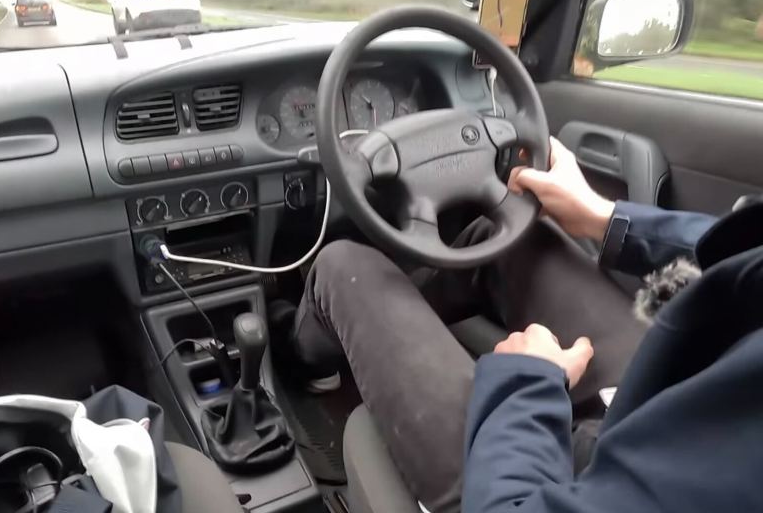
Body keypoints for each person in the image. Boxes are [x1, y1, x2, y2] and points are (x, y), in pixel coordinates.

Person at [291, 138, 763, 512]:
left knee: (343, 265)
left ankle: (301, 368)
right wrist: (607, 219)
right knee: (509, 240)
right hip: (679, 400)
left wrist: (527, 387)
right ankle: (389, 341)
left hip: (562, 487)